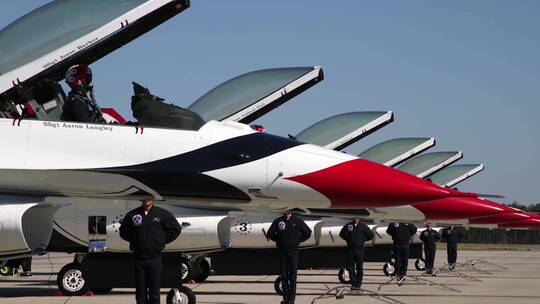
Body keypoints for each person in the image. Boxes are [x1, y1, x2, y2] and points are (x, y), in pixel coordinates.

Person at [120, 199, 182, 304]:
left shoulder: (162, 214)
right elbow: (124, 232)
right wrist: (136, 241)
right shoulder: (132, 215)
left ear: (153, 199)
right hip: (139, 258)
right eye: (143, 197)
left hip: (155, 258)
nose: (146, 199)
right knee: (140, 292)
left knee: (154, 291)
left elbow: (175, 229)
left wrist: (161, 241)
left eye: (148, 197)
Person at [267, 212, 312, 304]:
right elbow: (270, 233)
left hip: (293, 251)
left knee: (292, 276)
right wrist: (278, 240)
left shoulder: (297, 220)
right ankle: (285, 298)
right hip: (282, 251)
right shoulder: (278, 221)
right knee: (284, 276)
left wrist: (298, 240)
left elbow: (308, 232)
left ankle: (291, 299)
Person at [339, 218, 374, 291]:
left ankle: (358, 285)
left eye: (357, 217)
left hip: (360, 249)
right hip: (350, 249)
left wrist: (363, 240)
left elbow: (371, 235)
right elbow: (341, 234)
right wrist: (348, 239)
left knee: (359, 268)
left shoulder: (363, 226)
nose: (356, 218)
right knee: (351, 268)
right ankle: (353, 284)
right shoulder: (348, 225)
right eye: (354, 217)